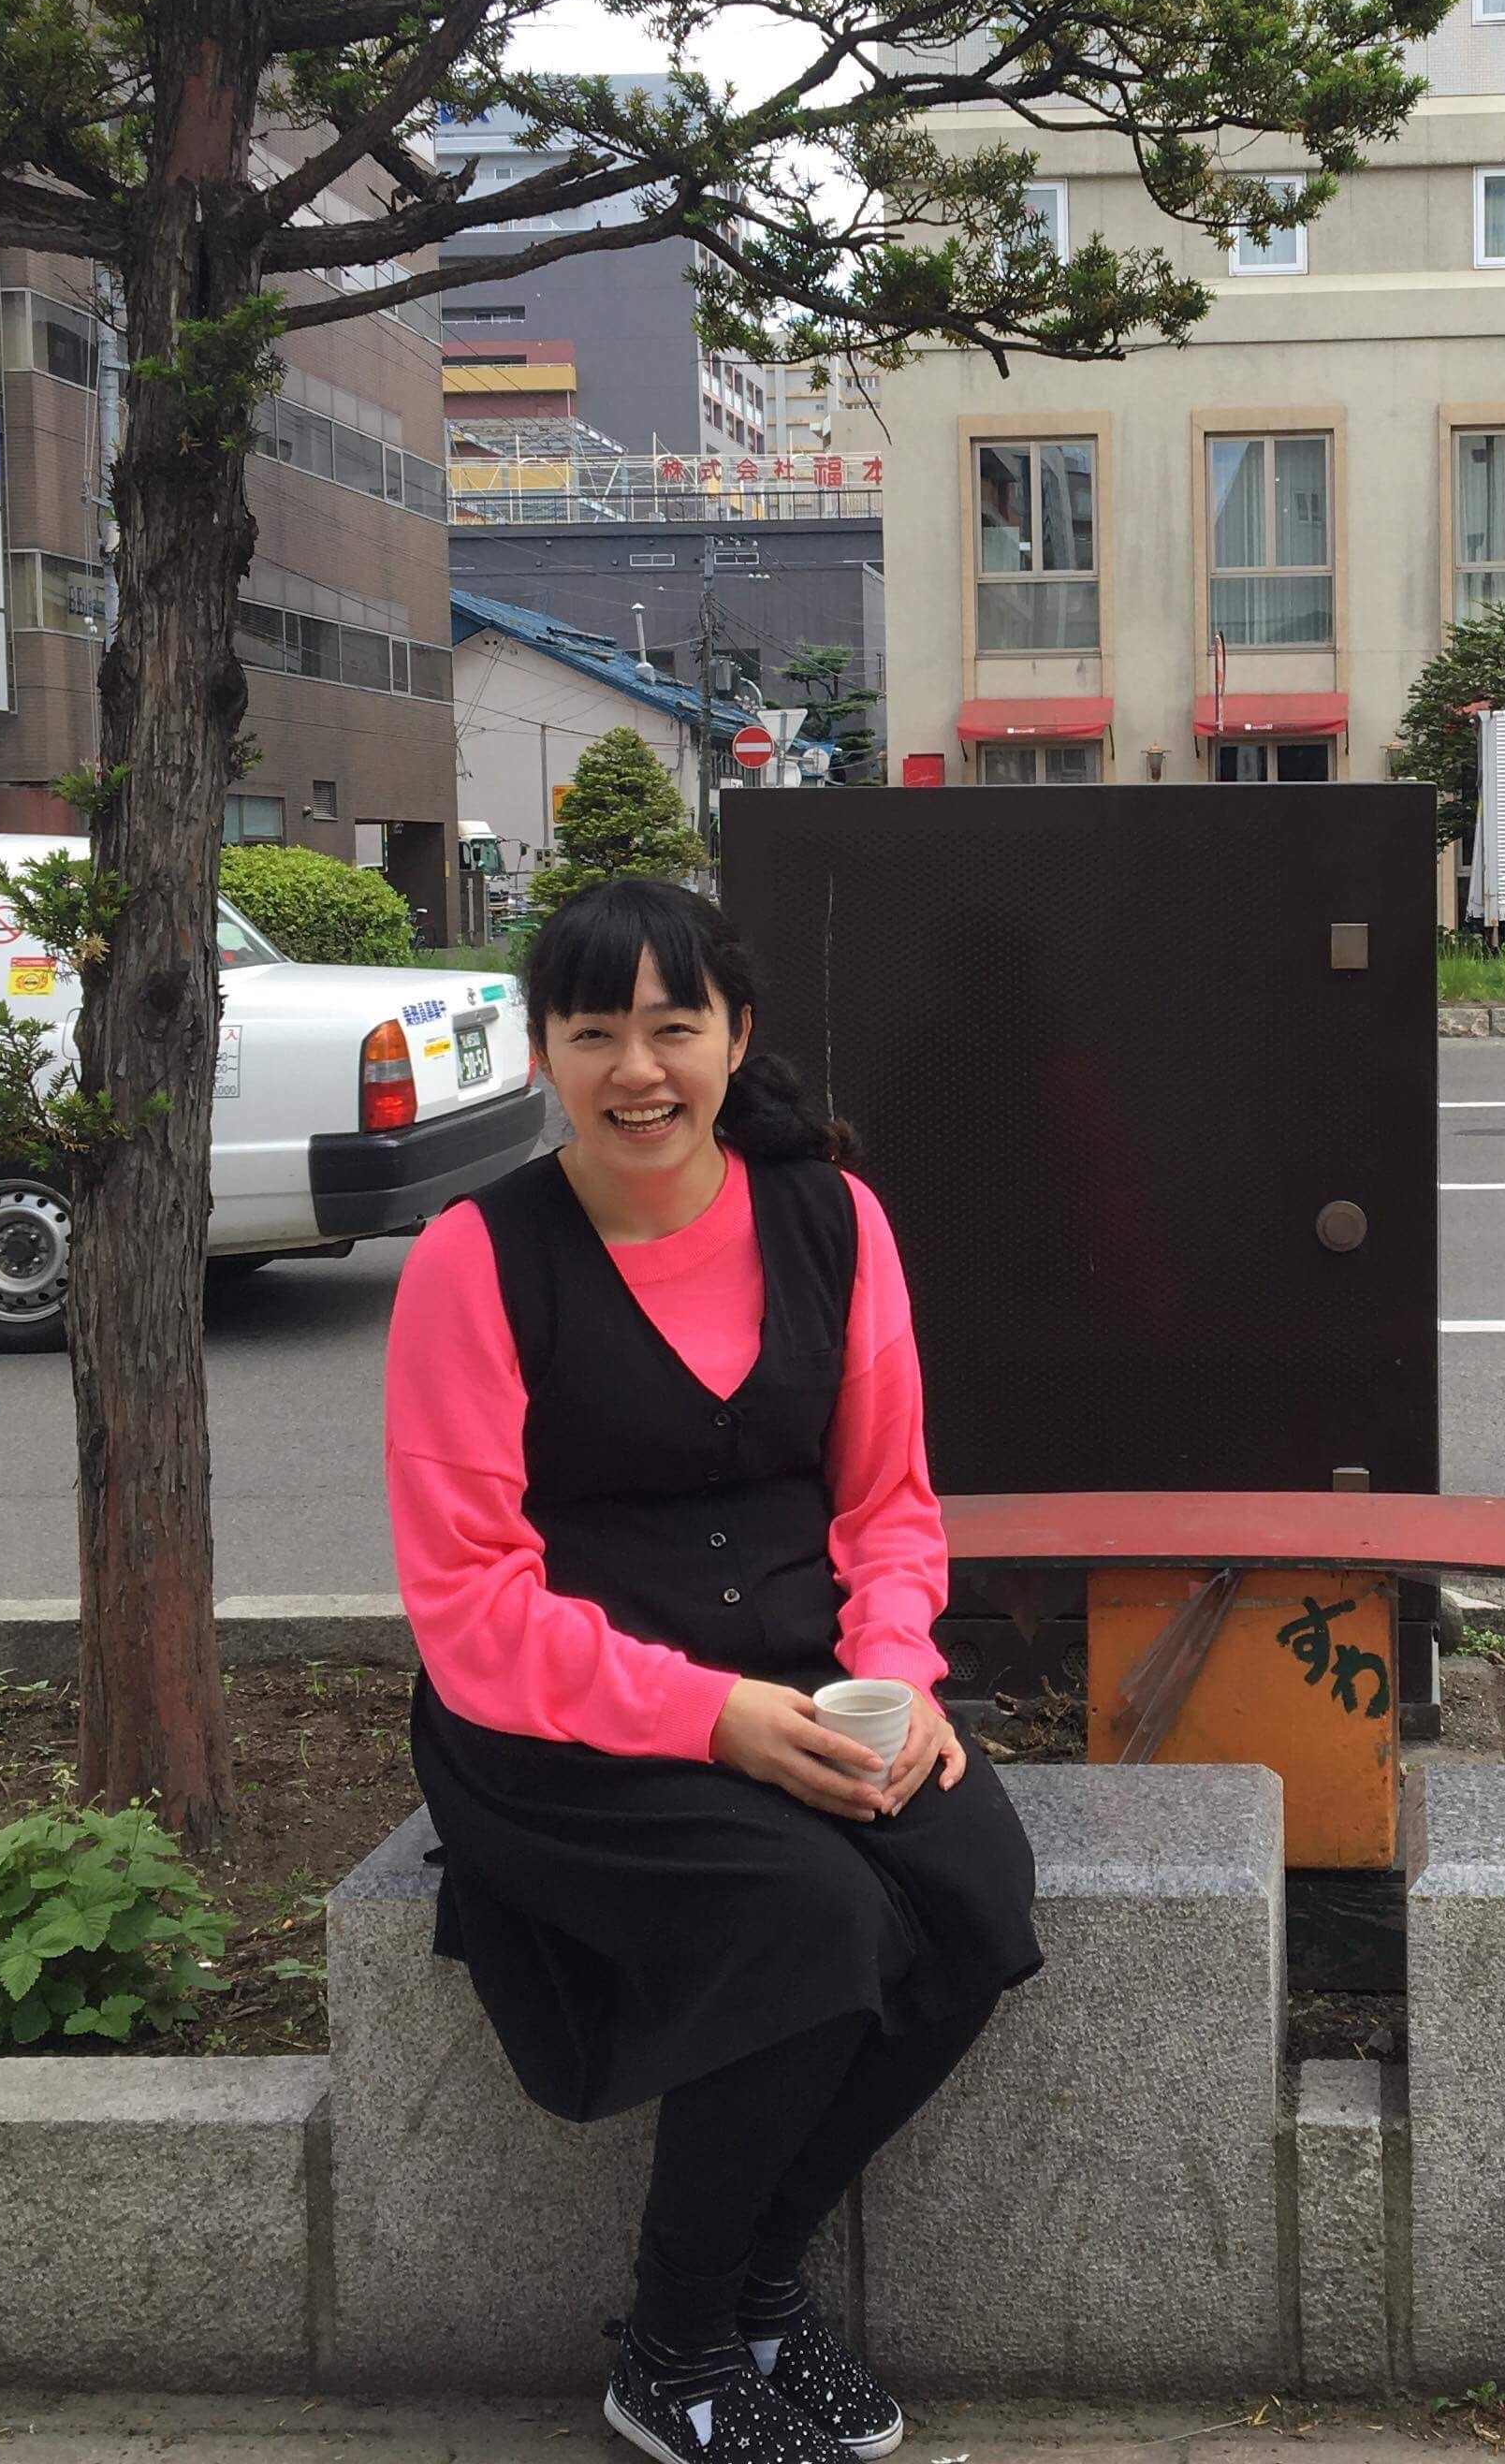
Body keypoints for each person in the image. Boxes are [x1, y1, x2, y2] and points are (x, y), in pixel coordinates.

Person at [383, 874, 1042, 2464]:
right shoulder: (476, 1260)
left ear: (737, 1037)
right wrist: (711, 1719)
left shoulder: (833, 1218)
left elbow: (888, 1503)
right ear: (541, 1052)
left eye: (674, 1026)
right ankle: (672, 2346)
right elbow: (468, 1602)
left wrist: (897, 1675)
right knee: (805, 1918)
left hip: (809, 1678)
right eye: (593, 1032)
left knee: (973, 1891)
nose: (638, 1070)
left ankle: (756, 2290)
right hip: (558, 1721)